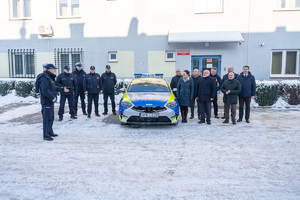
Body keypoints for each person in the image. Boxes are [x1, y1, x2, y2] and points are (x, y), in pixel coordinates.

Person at [39, 64, 69, 141]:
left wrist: (62, 89)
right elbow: (45, 90)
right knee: (47, 118)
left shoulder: (50, 78)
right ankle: (46, 135)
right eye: (54, 69)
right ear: (50, 70)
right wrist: (53, 98)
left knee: (51, 117)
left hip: (50, 102)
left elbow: (54, 88)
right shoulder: (45, 78)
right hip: (47, 102)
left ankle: (50, 131)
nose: (55, 70)